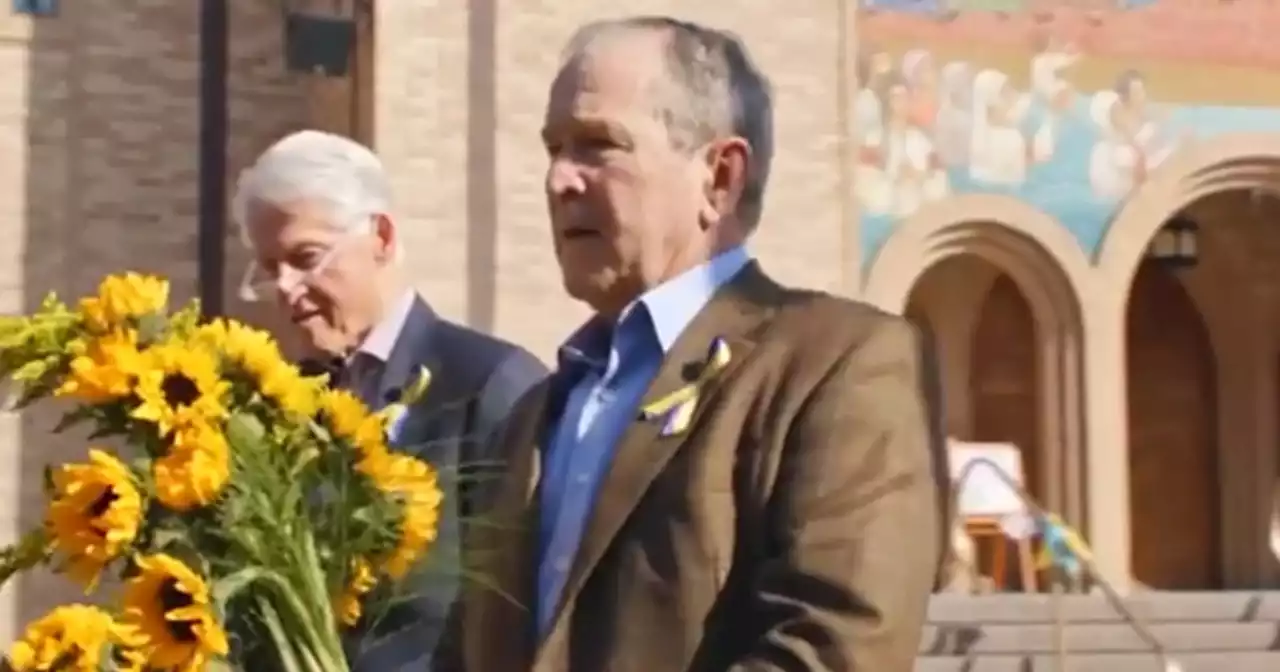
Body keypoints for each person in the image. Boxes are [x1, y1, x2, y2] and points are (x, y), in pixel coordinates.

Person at [452, 16, 941, 672]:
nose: (558, 180)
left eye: (597, 146)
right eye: (554, 148)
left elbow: (837, 648)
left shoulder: (838, 367)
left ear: (720, 177)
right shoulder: (535, 416)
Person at [233, 130, 548, 670]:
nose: (285, 287)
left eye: (304, 257)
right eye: (269, 268)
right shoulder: (277, 411)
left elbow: (520, 615)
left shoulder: (491, 386)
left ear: (380, 236)